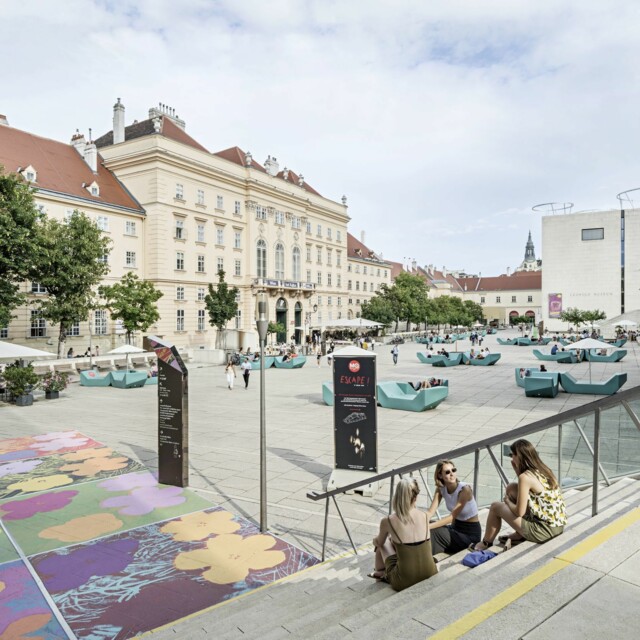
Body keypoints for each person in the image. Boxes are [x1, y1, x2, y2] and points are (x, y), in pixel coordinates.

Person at [472, 439, 567, 550]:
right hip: (557, 525)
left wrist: (507, 502)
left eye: (513, 455)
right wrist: (517, 470)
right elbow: (527, 491)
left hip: (544, 531)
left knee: (495, 507)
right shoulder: (543, 469)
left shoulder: (525, 477)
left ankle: (486, 543)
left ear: (520, 457)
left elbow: (519, 512)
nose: (512, 458)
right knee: (512, 488)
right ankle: (520, 534)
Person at [369, 477, 437, 590]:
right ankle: (381, 574)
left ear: (397, 496)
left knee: (383, 543)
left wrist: (374, 541)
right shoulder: (424, 516)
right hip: (430, 571)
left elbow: (379, 542)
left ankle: (380, 577)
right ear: (415, 497)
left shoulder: (388, 520)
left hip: (404, 580)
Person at [427, 460, 482, 556]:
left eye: (453, 470)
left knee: (435, 530)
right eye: (447, 472)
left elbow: (451, 517)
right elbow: (430, 512)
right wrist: (420, 523)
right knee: (430, 523)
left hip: (470, 535)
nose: (452, 474)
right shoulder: (441, 489)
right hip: (455, 528)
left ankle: (425, 556)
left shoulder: (465, 490)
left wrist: (427, 527)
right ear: (440, 476)